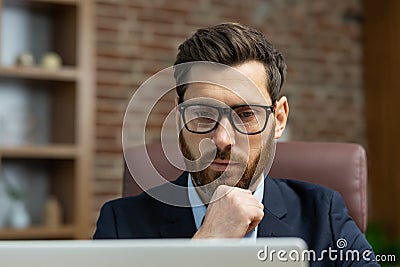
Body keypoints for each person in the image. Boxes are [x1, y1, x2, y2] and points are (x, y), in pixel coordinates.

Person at [94, 23, 378, 266]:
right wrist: (207, 243)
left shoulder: (323, 213)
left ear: (279, 119)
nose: (222, 140)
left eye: (245, 115)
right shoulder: (121, 224)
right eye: (203, 115)